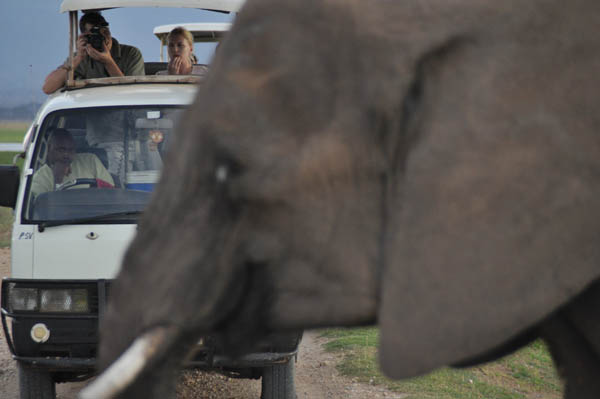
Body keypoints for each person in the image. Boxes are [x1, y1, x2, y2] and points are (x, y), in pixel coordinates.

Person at [42, 12, 145, 94]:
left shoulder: (131, 54)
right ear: (84, 37)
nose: (103, 38)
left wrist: (108, 62)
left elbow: (132, 94)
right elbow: (48, 88)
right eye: (94, 35)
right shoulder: (79, 58)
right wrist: (78, 58)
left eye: (105, 32)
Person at [31, 128, 114, 197]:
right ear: (49, 149)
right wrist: (57, 180)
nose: (66, 155)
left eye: (70, 150)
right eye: (61, 150)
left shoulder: (90, 160)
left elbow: (111, 192)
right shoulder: (40, 178)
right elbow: (41, 209)